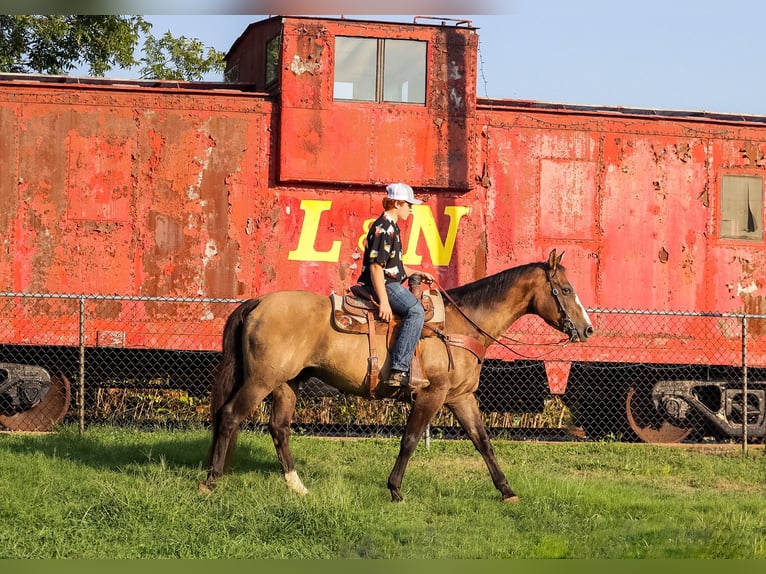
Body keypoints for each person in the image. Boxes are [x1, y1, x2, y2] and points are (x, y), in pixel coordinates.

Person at [357, 182, 435, 389]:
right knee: (416, 311)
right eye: (408, 204)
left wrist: (417, 272)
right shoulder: (384, 229)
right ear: (398, 203)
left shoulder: (392, 227)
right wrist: (384, 302)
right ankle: (399, 369)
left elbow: (395, 267)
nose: (410, 209)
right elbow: (376, 267)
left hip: (389, 281)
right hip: (384, 285)